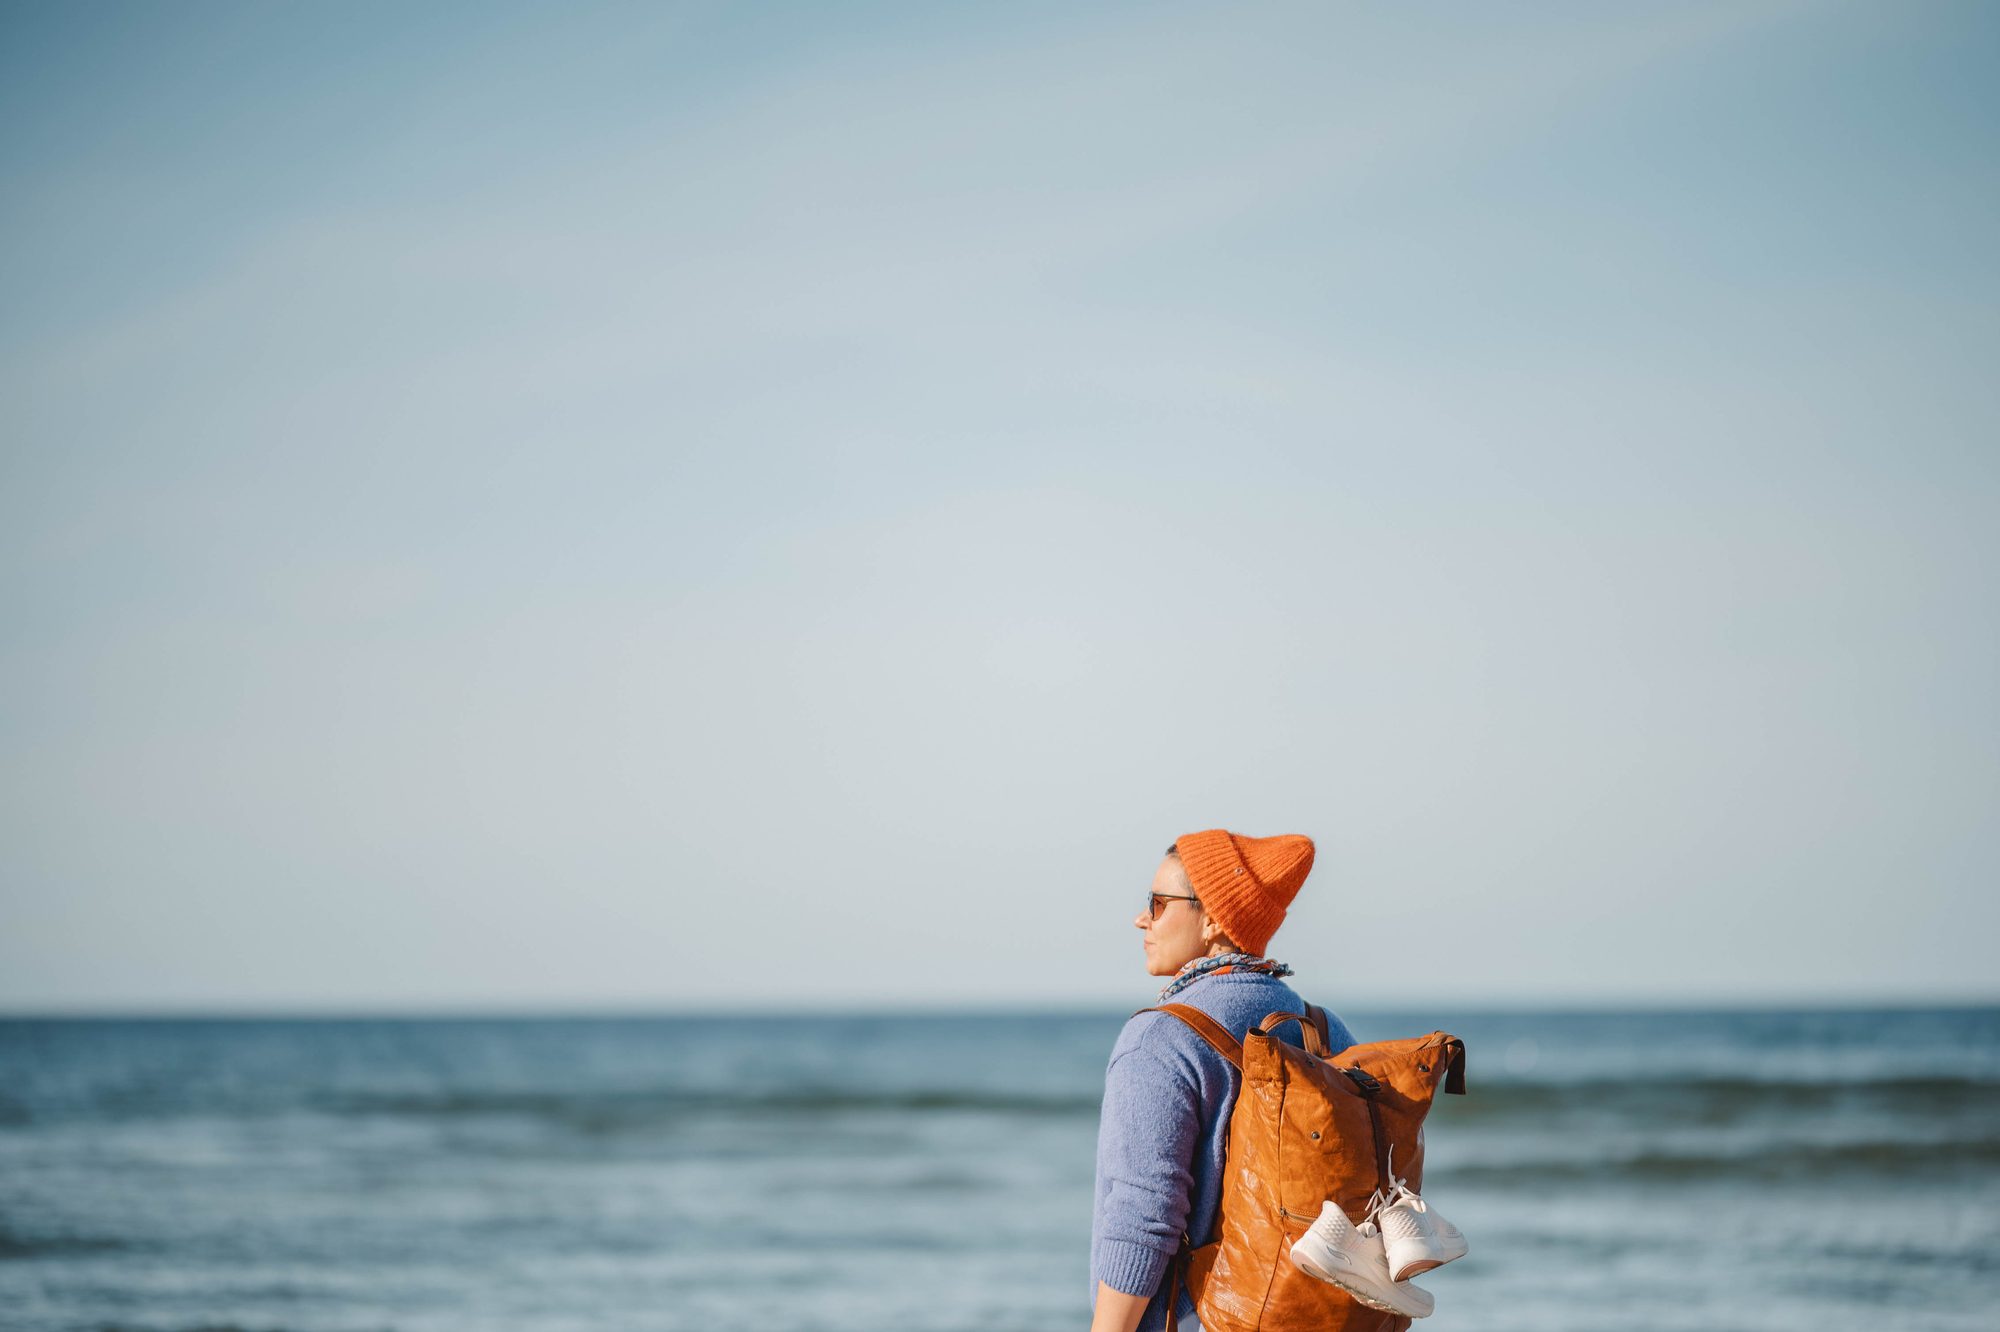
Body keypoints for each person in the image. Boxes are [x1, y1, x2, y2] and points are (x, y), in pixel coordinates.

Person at [1088, 829, 1356, 1332]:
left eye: (1158, 903)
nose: (1142, 918)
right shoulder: (1324, 1030)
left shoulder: (1160, 1038)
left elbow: (1144, 1214)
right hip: (1311, 1316)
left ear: (1212, 917)